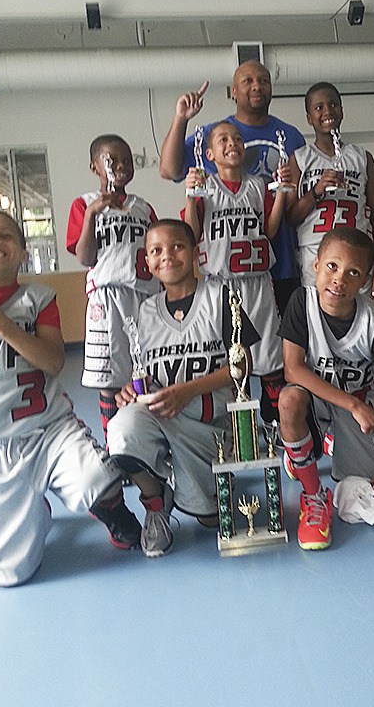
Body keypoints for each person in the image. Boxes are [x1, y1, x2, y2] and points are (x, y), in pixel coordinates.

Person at [0, 210, 141, 587]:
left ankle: (109, 511)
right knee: (12, 575)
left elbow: (54, 361)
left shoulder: (37, 298)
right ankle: (25, 513)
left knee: (98, 477)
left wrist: (0, 324)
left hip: (48, 432)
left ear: (24, 252)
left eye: (5, 235)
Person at [106, 219, 259, 557]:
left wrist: (188, 390)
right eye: (156, 250)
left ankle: (208, 479)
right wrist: (128, 394)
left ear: (195, 253)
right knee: (122, 431)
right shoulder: (144, 313)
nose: (167, 255)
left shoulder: (221, 298)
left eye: (176, 246)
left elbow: (244, 363)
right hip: (162, 415)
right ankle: (156, 501)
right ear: (147, 261)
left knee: (209, 519)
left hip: (208, 423)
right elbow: (143, 373)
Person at [278, 227, 374, 550]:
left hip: (361, 407)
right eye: (332, 266)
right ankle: (313, 493)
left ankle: (326, 441)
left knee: (366, 483)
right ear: (316, 265)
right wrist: (352, 405)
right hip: (323, 402)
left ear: (364, 281)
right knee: (289, 400)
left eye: (353, 273)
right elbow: (293, 368)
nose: (339, 279)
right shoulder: (300, 302)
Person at [159, 61, 306, 315]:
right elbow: (169, 170)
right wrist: (181, 118)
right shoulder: (216, 133)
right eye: (247, 81)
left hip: (279, 259)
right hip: (225, 266)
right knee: (231, 346)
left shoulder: (291, 136)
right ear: (233, 91)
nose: (257, 86)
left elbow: (295, 200)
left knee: (276, 346)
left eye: (263, 80)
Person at [183, 120, 287, 425]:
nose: (233, 144)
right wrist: (190, 197)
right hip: (220, 285)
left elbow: (270, 229)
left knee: (269, 356)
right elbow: (191, 233)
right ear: (210, 153)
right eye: (224, 140)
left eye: (238, 139)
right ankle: (234, 429)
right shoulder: (205, 187)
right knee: (230, 361)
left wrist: (282, 192)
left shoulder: (257, 185)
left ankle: (277, 426)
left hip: (258, 283)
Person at [66, 134, 159, 443]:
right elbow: (85, 257)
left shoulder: (143, 208)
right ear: (95, 167)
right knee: (108, 377)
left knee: (146, 369)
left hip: (144, 295)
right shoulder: (84, 204)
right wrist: (93, 213)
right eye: (112, 161)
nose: (120, 166)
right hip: (105, 297)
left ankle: (146, 438)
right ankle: (113, 445)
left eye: (127, 161)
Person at [287, 82, 374, 301]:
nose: (327, 111)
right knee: (318, 325)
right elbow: (291, 217)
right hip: (315, 254)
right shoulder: (300, 159)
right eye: (319, 107)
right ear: (309, 117)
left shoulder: (362, 157)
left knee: (362, 324)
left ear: (342, 110)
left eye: (333, 104)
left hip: (357, 253)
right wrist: (316, 191)